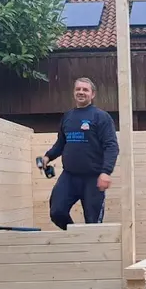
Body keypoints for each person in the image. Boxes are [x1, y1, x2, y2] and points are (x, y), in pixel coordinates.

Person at [40, 77, 119, 230]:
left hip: (93, 179)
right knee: (57, 211)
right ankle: (75, 236)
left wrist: (106, 172)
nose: (81, 92)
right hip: (69, 176)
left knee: (93, 224)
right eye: (78, 89)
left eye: (85, 89)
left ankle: (91, 249)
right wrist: (47, 157)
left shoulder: (101, 117)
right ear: (74, 92)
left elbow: (111, 146)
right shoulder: (68, 117)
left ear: (92, 94)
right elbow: (62, 143)